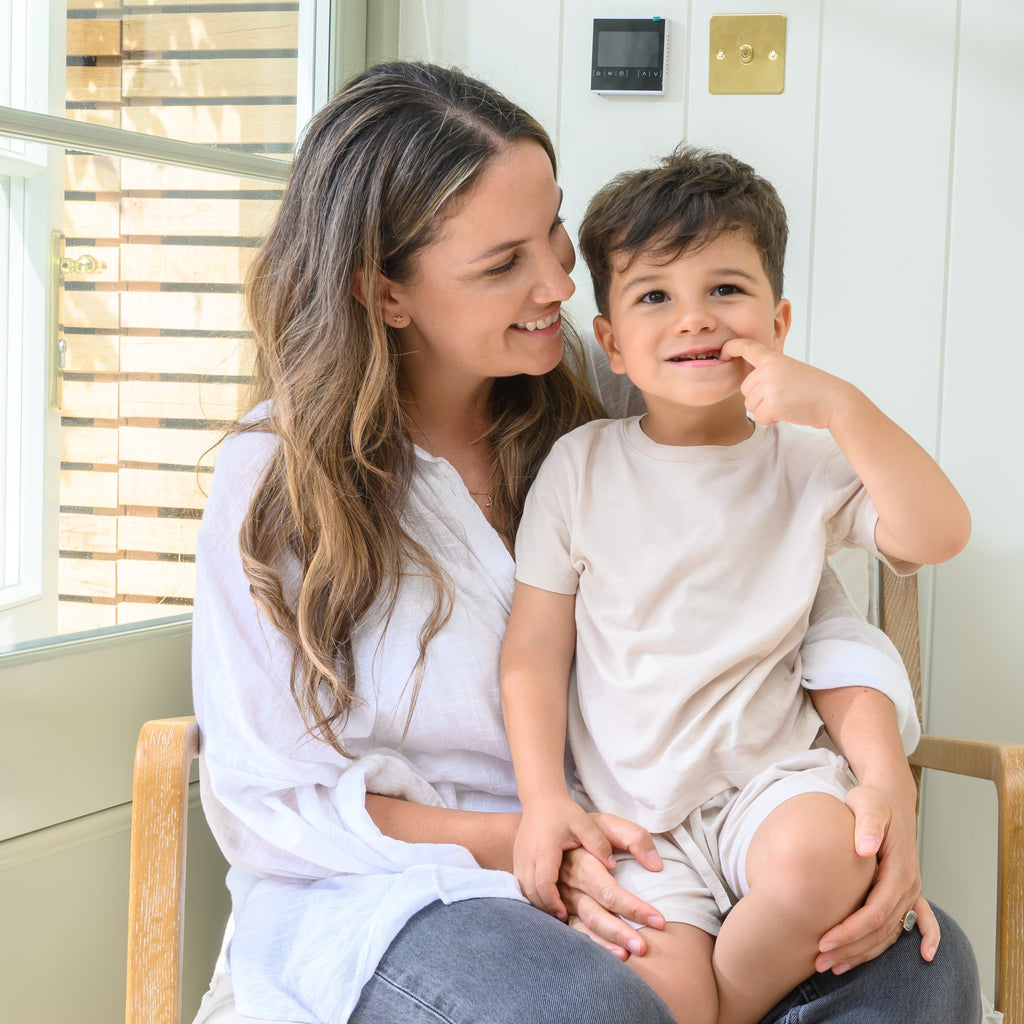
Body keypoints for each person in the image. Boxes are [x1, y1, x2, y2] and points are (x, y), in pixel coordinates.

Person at [191, 62, 982, 1024]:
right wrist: (526, 832)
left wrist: (883, 780)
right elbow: (269, 802)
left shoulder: (605, 411)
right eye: (502, 264)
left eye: (555, 232)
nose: (560, 282)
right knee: (589, 1009)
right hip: (415, 886)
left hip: (657, 839)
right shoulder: (276, 480)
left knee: (925, 968)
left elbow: (805, 614)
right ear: (385, 293)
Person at [499, 146, 973, 1024]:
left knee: (829, 856)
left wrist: (839, 405)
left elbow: (938, 531)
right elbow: (533, 650)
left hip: (771, 786)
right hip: (634, 810)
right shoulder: (582, 467)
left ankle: (736, 1010)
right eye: (653, 296)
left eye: (724, 290)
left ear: (778, 319)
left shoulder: (803, 462)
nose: (693, 321)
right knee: (660, 990)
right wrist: (543, 802)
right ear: (610, 341)